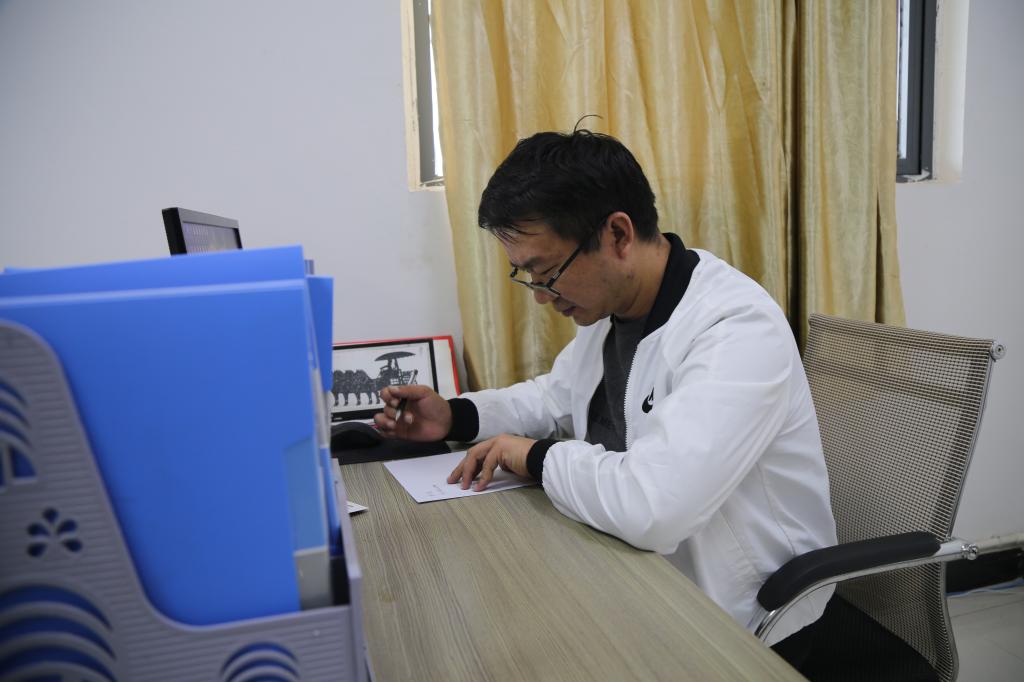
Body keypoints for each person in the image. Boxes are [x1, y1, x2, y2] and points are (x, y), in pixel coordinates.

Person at [374, 129, 837, 652]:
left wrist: (534, 457)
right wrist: (455, 417)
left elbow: (656, 507)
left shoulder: (735, 328)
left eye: (547, 272)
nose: (541, 296)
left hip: (742, 618)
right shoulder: (614, 309)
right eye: (526, 275)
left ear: (618, 234)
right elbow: (554, 399)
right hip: (632, 571)